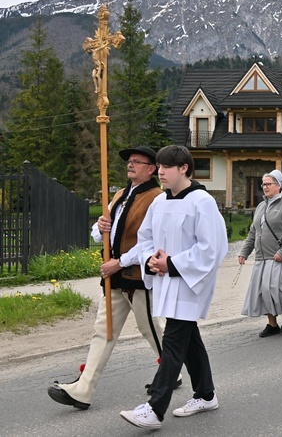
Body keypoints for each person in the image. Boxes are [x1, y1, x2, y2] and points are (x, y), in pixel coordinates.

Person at [48, 146, 177, 410]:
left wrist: (118, 263)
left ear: (151, 168)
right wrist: (101, 226)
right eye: (129, 162)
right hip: (115, 279)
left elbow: (151, 243)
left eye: (136, 162)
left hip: (139, 277)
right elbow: (99, 231)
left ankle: (171, 371)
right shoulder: (119, 194)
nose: (130, 165)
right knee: (103, 332)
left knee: (149, 329)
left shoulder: (157, 199)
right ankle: (82, 390)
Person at [119, 145, 229, 429]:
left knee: (174, 341)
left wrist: (174, 264)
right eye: (159, 166)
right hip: (167, 281)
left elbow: (213, 248)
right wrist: (150, 261)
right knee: (189, 339)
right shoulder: (160, 202)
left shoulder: (201, 201)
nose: (161, 171)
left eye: (166, 167)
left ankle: (155, 409)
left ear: (184, 168)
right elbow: (145, 239)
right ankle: (206, 394)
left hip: (191, 283)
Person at [239, 170, 282, 336]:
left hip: (277, 258)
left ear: (279, 186)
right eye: (263, 184)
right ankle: (272, 324)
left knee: (276, 291)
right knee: (262, 292)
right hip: (261, 257)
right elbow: (253, 232)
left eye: (268, 184)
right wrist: (244, 252)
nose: (265, 187)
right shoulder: (261, 206)